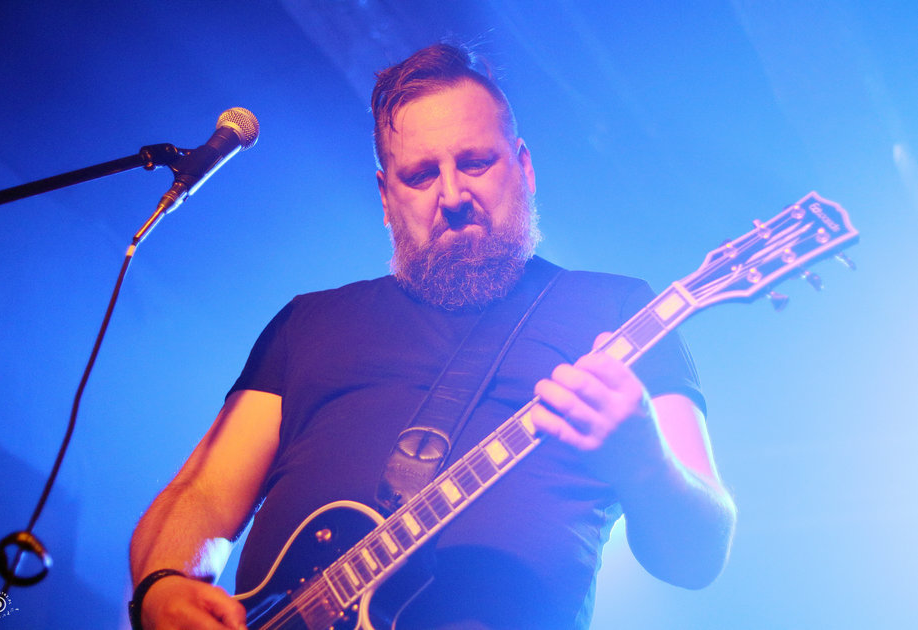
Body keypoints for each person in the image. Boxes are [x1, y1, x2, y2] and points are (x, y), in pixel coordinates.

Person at [129, 42, 736, 630]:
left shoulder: (618, 313)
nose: (452, 196)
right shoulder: (309, 322)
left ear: (523, 167)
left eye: (475, 163)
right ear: (385, 197)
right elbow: (203, 496)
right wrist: (162, 586)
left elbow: (699, 557)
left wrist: (646, 462)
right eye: (420, 175)